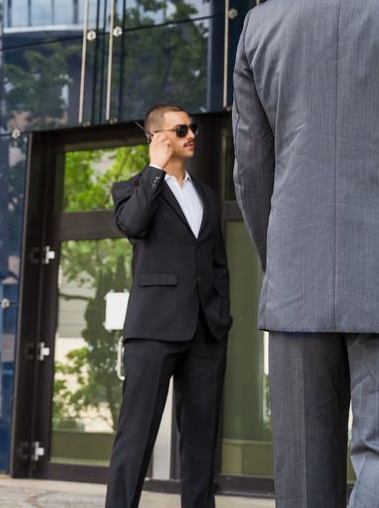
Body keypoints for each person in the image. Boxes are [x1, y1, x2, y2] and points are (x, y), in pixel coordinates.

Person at [232, 0, 379, 507]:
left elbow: (251, 171)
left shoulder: (263, 23)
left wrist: (286, 264)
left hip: (297, 282)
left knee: (301, 476)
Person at [105, 104, 232, 508]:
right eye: (180, 129)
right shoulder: (133, 188)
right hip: (153, 330)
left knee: (200, 441)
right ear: (158, 137)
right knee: (136, 435)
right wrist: (154, 171)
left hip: (205, 332)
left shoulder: (207, 196)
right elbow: (133, 224)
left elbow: (217, 264)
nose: (191, 134)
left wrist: (222, 316)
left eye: (192, 127)